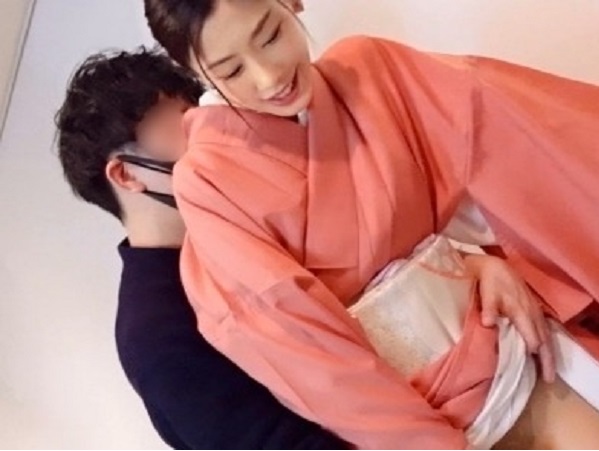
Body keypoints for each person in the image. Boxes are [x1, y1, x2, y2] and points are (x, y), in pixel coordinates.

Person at [144, 0, 599, 448]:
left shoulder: (369, 71)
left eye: (270, 36)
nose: (268, 77)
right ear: (196, 73)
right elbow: (295, 343)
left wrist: (482, 263)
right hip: (405, 412)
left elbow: (503, 138)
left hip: (505, 341)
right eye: (231, 71)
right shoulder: (207, 183)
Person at [54, 47, 347, 450]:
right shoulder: (153, 331)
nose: (212, 133)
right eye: (184, 123)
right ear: (125, 174)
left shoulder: (242, 229)